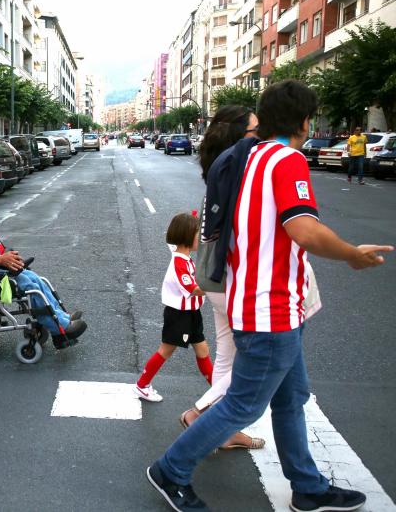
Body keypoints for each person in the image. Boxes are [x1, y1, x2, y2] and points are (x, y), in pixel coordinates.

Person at [146, 80, 393, 512]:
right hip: (270, 309)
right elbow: (303, 228)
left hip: (260, 303)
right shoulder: (286, 160)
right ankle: (172, 468)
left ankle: (307, 486)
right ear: (304, 121)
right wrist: (351, 254)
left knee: (291, 398)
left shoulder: (248, 158)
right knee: (242, 405)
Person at [180, 105, 266, 450]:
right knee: (254, 360)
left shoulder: (219, 168)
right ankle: (200, 414)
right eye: (255, 131)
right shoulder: (239, 172)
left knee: (228, 357)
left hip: (212, 278)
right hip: (229, 279)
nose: (260, 137)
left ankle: (224, 430)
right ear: (239, 136)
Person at [0, 179, 87, 349]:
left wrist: (8, 257)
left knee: (36, 279)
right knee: (29, 285)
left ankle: (62, 317)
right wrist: (0, 259)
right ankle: (60, 328)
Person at [134, 213, 212, 403]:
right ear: (187, 236)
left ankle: (218, 391)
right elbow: (193, 289)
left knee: (203, 350)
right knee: (166, 350)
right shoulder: (179, 263)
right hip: (179, 315)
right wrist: (220, 286)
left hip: (192, 313)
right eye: (197, 234)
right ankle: (142, 386)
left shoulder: (184, 258)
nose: (200, 238)